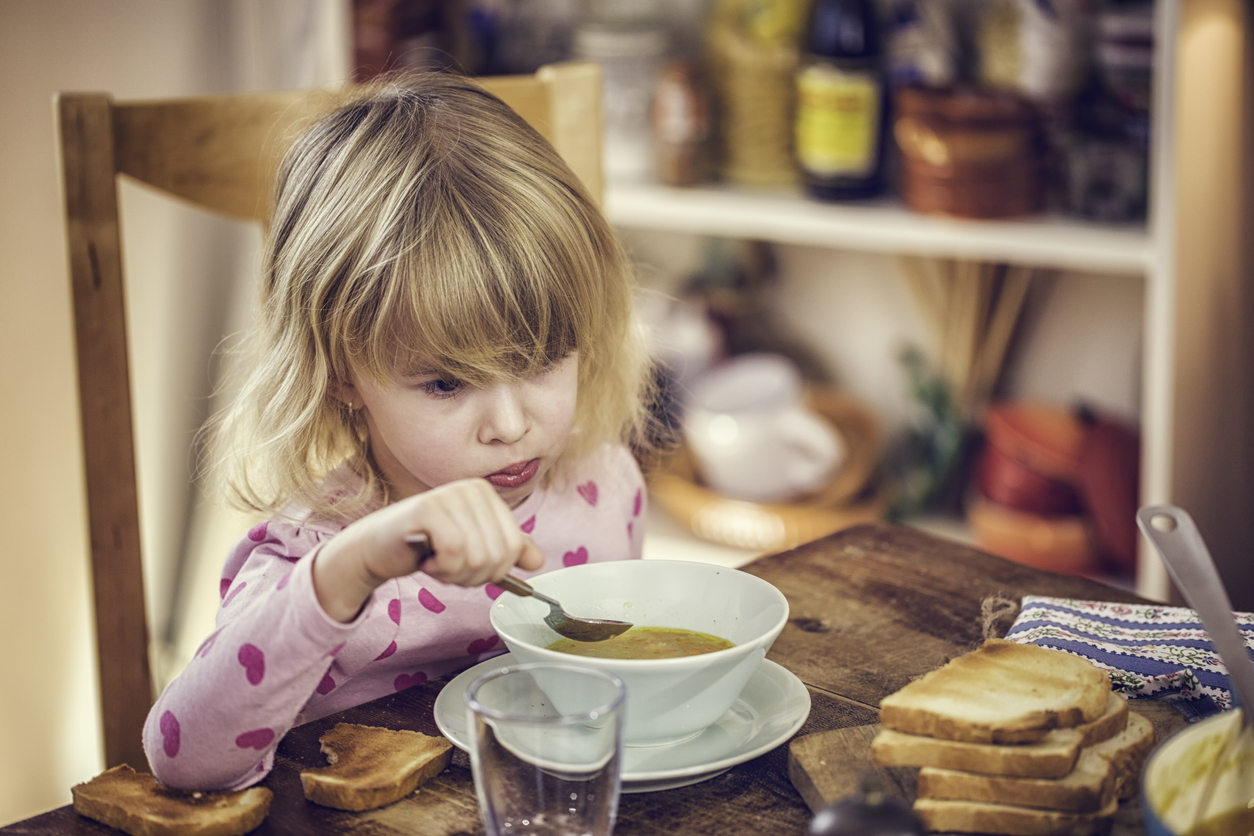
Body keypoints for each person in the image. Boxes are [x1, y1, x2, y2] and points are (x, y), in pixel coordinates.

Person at [143, 71, 660, 791]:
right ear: (340, 372)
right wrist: (350, 572)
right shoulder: (316, 552)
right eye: (446, 382)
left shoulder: (603, 485)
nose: (511, 426)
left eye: (542, 359)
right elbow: (180, 758)